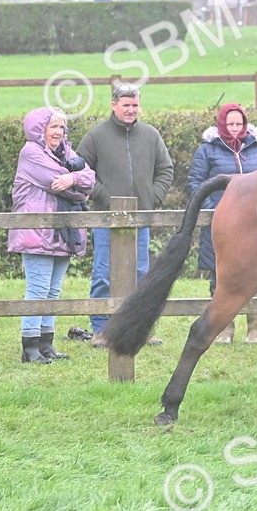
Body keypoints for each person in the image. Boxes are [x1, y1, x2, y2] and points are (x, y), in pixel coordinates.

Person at [77, 83, 174, 348]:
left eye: (135, 105)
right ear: (113, 105)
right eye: (126, 105)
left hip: (140, 220)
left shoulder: (151, 135)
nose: (131, 110)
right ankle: (101, 330)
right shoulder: (96, 136)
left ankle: (137, 330)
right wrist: (104, 197)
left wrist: (152, 197)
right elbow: (81, 173)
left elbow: (165, 169)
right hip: (105, 220)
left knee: (140, 275)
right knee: (103, 274)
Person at [8, 107, 95, 363]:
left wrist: (73, 180)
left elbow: (90, 179)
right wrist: (76, 183)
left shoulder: (67, 151)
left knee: (53, 291)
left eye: (61, 127)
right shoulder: (31, 152)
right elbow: (56, 183)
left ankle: (46, 345)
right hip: (37, 231)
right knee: (38, 289)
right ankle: (30, 348)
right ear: (40, 129)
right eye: (53, 126)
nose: (59, 132)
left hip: (62, 231)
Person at [186, 103, 257, 343]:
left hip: (256, 225)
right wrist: (214, 211)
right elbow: (195, 184)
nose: (235, 128)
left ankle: (255, 330)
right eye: (230, 124)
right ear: (221, 125)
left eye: (239, 124)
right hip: (222, 225)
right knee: (221, 276)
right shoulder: (207, 151)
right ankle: (223, 329)